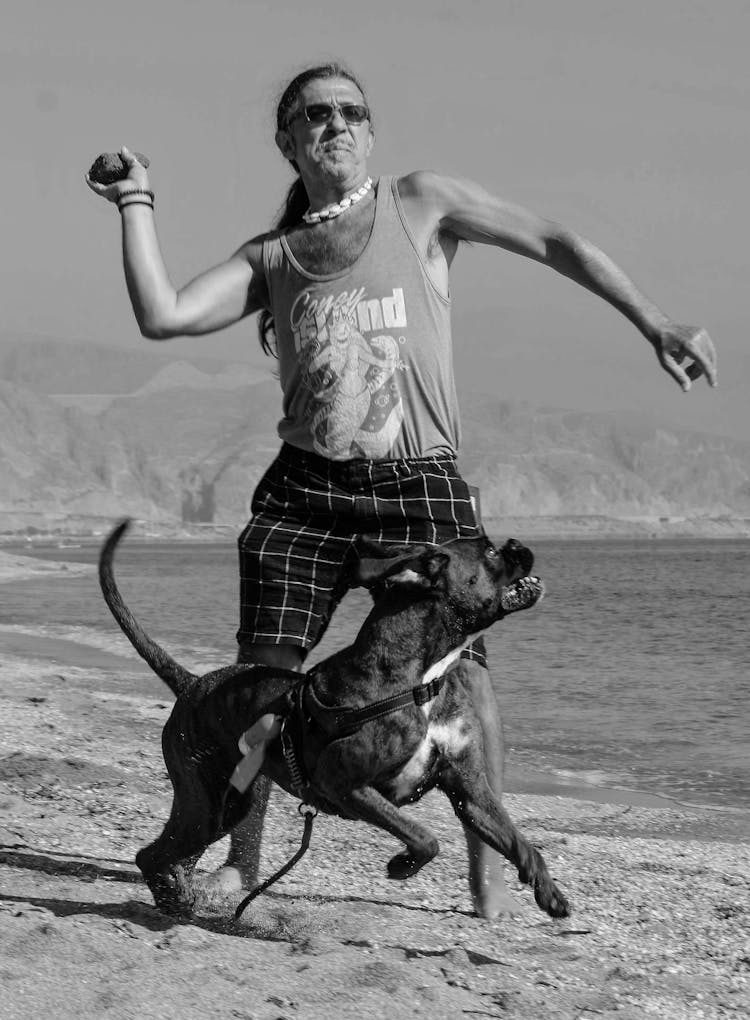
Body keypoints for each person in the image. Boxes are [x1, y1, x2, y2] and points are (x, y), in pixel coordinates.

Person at [86, 62, 717, 919]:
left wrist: (653, 320)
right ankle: (241, 860)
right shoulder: (271, 257)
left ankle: (486, 857)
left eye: (351, 111)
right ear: (289, 141)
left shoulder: (420, 204)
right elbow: (162, 315)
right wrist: (137, 201)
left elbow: (554, 240)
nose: (335, 124)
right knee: (263, 684)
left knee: (467, 671)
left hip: (420, 484)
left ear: (371, 132)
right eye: (315, 115)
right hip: (305, 494)